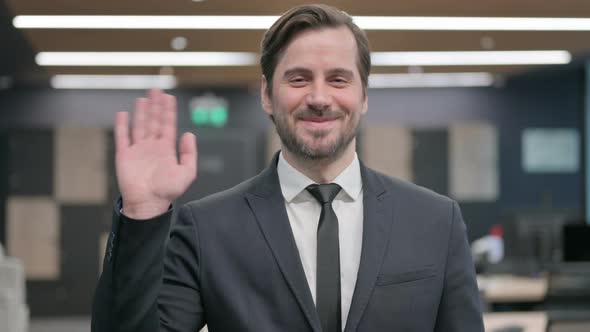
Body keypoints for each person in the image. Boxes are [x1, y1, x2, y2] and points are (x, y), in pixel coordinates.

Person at [91, 4, 484, 332]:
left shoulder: (435, 221)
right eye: (298, 79)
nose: (318, 97)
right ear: (267, 94)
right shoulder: (207, 229)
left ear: (363, 95)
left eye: (338, 79)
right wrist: (144, 214)